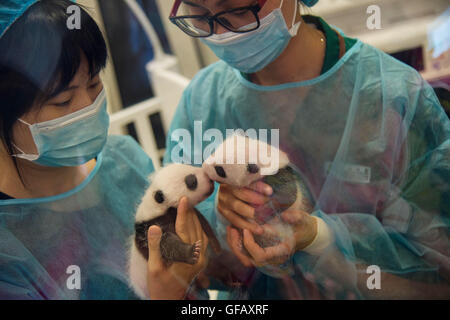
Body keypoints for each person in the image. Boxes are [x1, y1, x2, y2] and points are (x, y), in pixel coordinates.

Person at [159, 0, 450, 299]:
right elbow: (179, 257)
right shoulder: (204, 100)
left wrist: (321, 240)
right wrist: (224, 223)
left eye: (238, 8)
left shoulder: (394, 98)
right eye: (199, 14)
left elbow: (437, 272)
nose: (220, 33)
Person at [0, 0, 208, 299]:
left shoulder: (123, 161)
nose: (88, 107)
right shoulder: (8, 248)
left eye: (95, 84)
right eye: (62, 101)